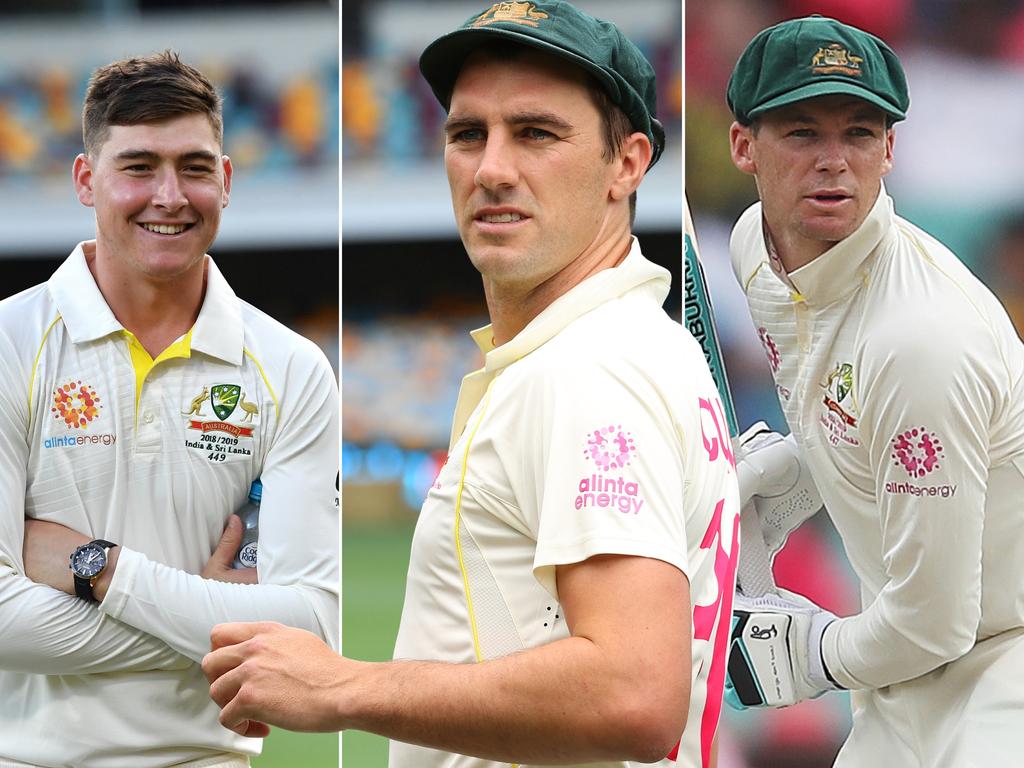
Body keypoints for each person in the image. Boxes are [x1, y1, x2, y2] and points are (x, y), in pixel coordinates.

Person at [203, 2, 740, 767]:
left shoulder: (588, 370)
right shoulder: (632, 345)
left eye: (536, 133)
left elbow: (634, 693)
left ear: (628, 163)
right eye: (467, 134)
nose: (491, 168)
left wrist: (341, 688)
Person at [0, 51, 339, 767]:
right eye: (138, 167)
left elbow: (312, 632)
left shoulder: (291, 369)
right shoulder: (9, 344)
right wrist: (219, 622)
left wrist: (97, 567)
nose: (169, 195)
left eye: (192, 166)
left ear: (225, 179)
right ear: (87, 181)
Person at [721, 15, 1024, 767]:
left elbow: (934, 627)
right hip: (900, 683)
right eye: (801, 132)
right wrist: (795, 467)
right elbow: (848, 403)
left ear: (890, 149)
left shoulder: (922, 337)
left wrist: (812, 650)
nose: (835, 163)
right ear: (742, 147)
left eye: (859, 133)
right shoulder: (755, 259)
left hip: (1004, 669)